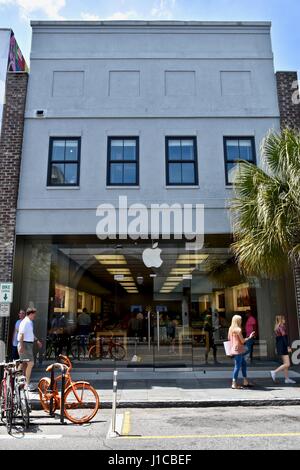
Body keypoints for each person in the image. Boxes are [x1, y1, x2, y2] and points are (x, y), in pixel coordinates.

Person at [17, 307, 42, 390]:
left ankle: (21, 382)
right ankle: (26, 384)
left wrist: (37, 340)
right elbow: (21, 335)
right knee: (30, 363)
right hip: (25, 345)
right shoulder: (26, 322)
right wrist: (21, 346)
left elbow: (30, 334)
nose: (35, 316)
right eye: (34, 314)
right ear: (31, 314)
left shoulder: (29, 322)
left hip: (27, 344)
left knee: (24, 364)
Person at [228, 315, 255, 389]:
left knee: (243, 364)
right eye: (240, 320)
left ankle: (245, 381)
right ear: (237, 321)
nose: (241, 321)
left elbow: (229, 338)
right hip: (239, 350)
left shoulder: (230, 329)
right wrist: (249, 337)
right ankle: (234, 383)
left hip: (234, 349)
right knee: (237, 366)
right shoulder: (238, 330)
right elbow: (242, 341)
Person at [270, 315, 296, 384]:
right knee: (287, 364)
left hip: (280, 346)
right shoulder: (281, 327)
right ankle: (274, 372)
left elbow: (279, 339)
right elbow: (284, 337)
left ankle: (287, 379)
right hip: (283, 346)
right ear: (281, 320)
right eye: (283, 319)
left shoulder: (277, 327)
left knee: (285, 363)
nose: (285, 320)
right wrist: (288, 346)